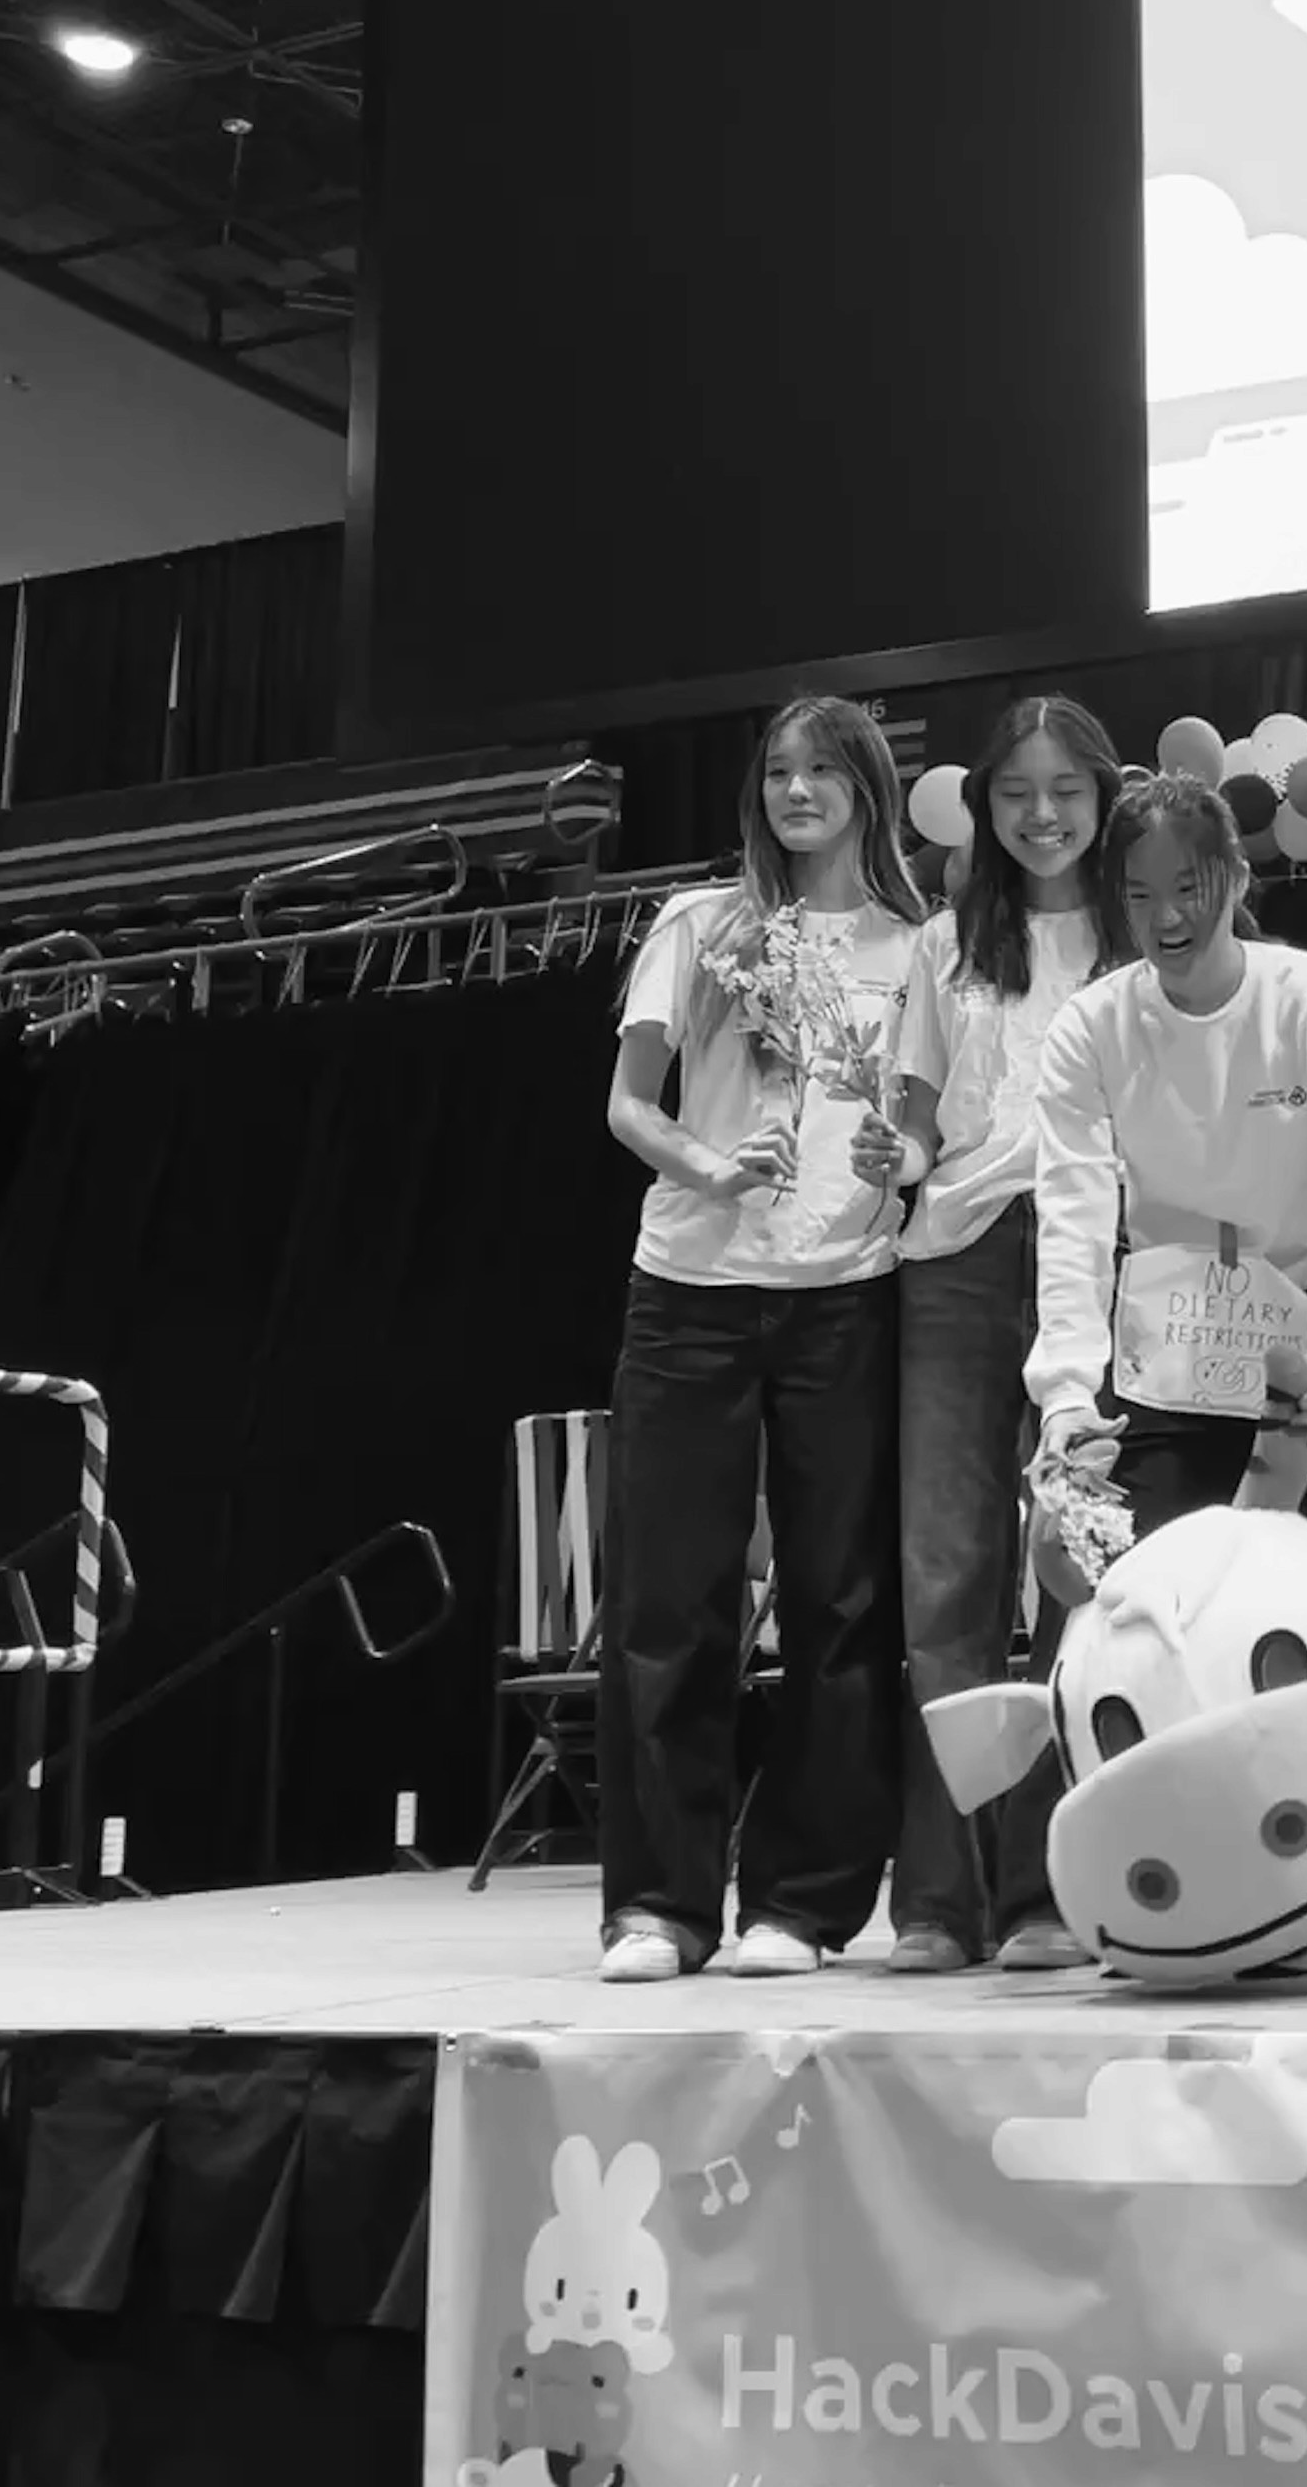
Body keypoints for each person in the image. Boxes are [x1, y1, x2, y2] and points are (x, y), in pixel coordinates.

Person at [593, 694, 929, 1983]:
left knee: (843, 1606)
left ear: (866, 789)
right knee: (668, 1601)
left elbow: (924, 1125)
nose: (797, 791)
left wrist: (904, 1159)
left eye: (822, 770)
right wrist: (712, 1166)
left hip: (847, 1290)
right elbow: (630, 1103)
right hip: (690, 1288)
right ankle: (658, 1907)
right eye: (779, 770)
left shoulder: (917, 946)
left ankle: (802, 1905)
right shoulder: (702, 924)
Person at [868, 696, 1130, 1976]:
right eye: (1017, 793)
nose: (1042, 815)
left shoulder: (1148, 929)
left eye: (1066, 790)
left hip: (1109, 1257)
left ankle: (1047, 1888)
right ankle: (937, 1897)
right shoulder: (945, 946)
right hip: (961, 1261)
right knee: (948, 1577)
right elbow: (917, 1123)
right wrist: (895, 1154)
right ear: (983, 806)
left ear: (1105, 796)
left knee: (1083, 1569)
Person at [1029, 768, 1307, 1564]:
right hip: (1164, 1369)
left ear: (1235, 877)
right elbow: (1073, 1217)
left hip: (1304, 1366)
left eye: (1187, 888)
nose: (1164, 919)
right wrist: (1066, 1393)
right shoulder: (1090, 1027)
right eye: (1138, 895)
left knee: (1297, 1598)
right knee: (1136, 1590)